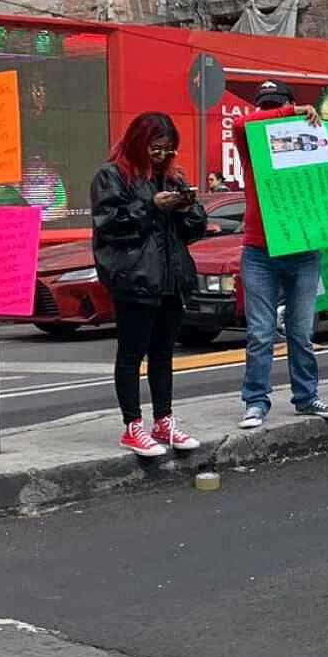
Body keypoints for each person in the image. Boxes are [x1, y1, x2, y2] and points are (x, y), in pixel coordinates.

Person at [91, 113, 209, 457]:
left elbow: (192, 232)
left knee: (163, 354)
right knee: (131, 354)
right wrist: (150, 205)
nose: (161, 156)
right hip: (134, 279)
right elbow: (110, 226)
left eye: (167, 150)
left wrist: (188, 207)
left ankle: (164, 420)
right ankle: (132, 426)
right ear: (139, 143)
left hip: (171, 280)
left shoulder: (171, 177)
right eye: (156, 149)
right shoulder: (111, 176)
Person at [232, 81, 328, 430]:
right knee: (261, 332)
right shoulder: (251, 142)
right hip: (259, 251)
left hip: (303, 249)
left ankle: (307, 397)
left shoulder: (311, 141)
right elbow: (240, 124)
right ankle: (255, 402)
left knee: (300, 331)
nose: (268, 116)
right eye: (264, 109)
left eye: (274, 107)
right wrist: (291, 111)